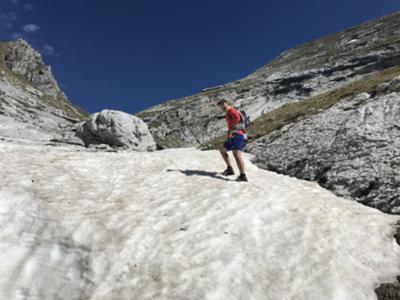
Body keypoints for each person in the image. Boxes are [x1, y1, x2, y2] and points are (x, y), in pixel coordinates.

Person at [217, 99, 248, 182]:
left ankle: (243, 175)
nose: (221, 107)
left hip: (236, 135)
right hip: (233, 135)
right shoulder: (228, 112)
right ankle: (230, 169)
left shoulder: (232, 111)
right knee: (222, 150)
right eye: (220, 106)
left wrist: (231, 132)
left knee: (236, 154)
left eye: (222, 105)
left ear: (226, 103)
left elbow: (237, 121)